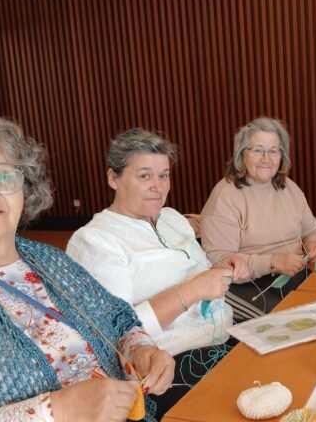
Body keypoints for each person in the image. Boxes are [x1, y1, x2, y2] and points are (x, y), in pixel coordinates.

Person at [0, 112, 175, 422]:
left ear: (23, 189)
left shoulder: (47, 259)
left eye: (4, 176)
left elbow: (116, 319)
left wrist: (141, 349)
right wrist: (58, 410)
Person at [65, 129, 247, 411]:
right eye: (144, 176)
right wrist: (193, 290)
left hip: (224, 334)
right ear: (113, 178)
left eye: (163, 175)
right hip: (172, 363)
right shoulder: (96, 241)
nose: (158, 187)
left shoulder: (172, 218)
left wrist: (221, 270)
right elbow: (112, 337)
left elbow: (193, 273)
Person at [201, 117, 316, 319]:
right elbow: (219, 261)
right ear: (242, 154)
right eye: (257, 150)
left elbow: (312, 230)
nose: (266, 159)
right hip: (245, 287)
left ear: (281, 155)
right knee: (292, 324)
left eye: (273, 151)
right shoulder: (225, 196)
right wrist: (272, 262)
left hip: (291, 276)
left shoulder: (289, 187)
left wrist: (315, 243)